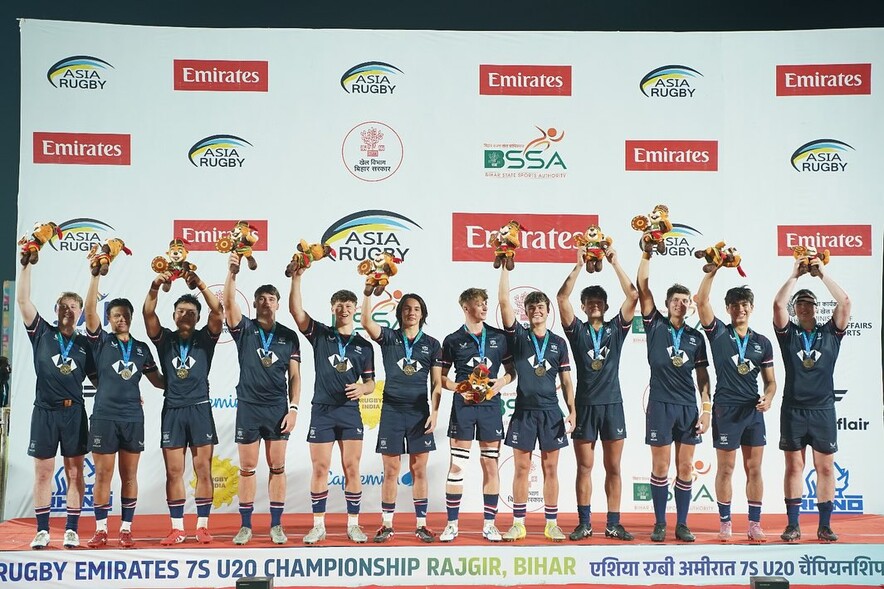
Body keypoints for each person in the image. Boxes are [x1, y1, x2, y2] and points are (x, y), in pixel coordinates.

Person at [556, 246, 637, 541]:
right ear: (583, 305)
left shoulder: (617, 329)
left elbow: (633, 296)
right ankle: (585, 522)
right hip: (586, 405)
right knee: (584, 467)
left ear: (605, 304)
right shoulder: (576, 331)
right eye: (589, 302)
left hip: (612, 404)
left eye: (599, 301)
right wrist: (578, 265)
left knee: (613, 467)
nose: (594, 305)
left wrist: (615, 262)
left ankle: (613, 523)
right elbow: (561, 298)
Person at [289, 269, 375, 544]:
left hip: (349, 412)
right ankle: (318, 525)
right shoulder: (321, 334)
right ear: (333, 309)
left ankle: (353, 524)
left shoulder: (364, 346)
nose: (344, 310)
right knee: (320, 468)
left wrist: (363, 388)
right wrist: (297, 278)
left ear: (355, 310)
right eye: (339, 306)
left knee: (352, 467)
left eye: (349, 306)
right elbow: (296, 311)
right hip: (323, 410)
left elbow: (371, 383)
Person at [17, 263, 96, 549]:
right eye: (63, 305)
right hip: (45, 412)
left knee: (75, 472)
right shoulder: (42, 333)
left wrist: (124, 394)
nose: (69, 310)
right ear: (55, 310)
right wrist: (25, 265)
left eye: (74, 306)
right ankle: (42, 530)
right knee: (42, 473)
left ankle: (72, 529)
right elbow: (23, 300)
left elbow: (100, 380)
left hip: (74, 412)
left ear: (80, 312)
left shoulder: (86, 344)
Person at [224, 253, 301, 546]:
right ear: (254, 303)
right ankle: (245, 525)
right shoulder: (245, 328)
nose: (266, 302)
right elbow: (229, 303)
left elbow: (295, 376)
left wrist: (293, 408)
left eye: (271, 298)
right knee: (247, 469)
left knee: (277, 467)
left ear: (278, 304)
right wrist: (232, 271)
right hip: (248, 407)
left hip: (277, 409)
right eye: (261, 298)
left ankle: (276, 525)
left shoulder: (288, 336)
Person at [83, 270, 165, 548]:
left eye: (125, 315)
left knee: (129, 476)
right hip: (105, 416)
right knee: (103, 475)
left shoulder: (142, 349)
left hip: (132, 418)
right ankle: (101, 529)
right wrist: (95, 276)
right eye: (116, 315)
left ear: (131, 318)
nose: (121, 319)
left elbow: (158, 382)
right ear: (109, 319)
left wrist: (187, 380)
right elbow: (89, 309)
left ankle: (126, 529)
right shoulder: (101, 341)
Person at [773, 258, 850, 543]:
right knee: (794, 467)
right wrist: (794, 275)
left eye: (809, 303)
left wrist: (821, 274)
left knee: (826, 468)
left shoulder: (830, 333)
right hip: (793, 409)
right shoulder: (788, 335)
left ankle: (824, 525)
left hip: (823, 410)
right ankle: (793, 525)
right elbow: (778, 306)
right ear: (796, 310)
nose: (804, 307)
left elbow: (844, 303)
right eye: (800, 304)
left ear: (816, 308)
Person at [143, 270, 223, 545]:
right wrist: (155, 286)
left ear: (198, 318)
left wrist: (199, 282)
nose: (185, 315)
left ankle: (202, 526)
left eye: (191, 312)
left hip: (200, 409)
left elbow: (218, 310)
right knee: (173, 472)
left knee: (203, 468)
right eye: (180, 311)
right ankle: (177, 527)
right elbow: (148, 314)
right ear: (174, 315)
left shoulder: (205, 338)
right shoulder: (164, 338)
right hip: (173, 411)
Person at [696, 268, 776, 542]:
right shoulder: (718, 332)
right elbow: (702, 301)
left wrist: (769, 396)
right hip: (726, 410)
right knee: (726, 469)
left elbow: (771, 382)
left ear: (752, 308)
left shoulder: (762, 342)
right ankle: (725, 522)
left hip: (753, 411)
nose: (740, 309)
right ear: (728, 308)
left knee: (754, 469)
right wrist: (713, 270)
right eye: (735, 305)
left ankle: (754, 524)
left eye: (745, 304)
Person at [637, 250, 710, 542]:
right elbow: (643, 287)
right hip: (660, 405)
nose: (680, 304)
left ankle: (682, 523)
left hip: (688, 407)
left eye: (685, 300)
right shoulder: (655, 325)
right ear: (667, 305)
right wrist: (646, 253)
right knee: (659, 466)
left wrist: (706, 409)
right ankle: (659, 523)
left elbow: (703, 377)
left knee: (685, 467)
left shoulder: (696, 337)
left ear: (690, 306)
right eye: (675, 300)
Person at [498, 266, 575, 542]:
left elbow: (566, 381)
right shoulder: (518, 337)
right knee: (521, 468)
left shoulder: (558, 343)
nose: (536, 311)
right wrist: (506, 266)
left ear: (547, 311)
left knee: (551, 469)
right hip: (524, 413)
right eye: (531, 307)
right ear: (526, 312)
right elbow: (504, 301)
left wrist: (573, 411)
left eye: (541, 307)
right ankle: (518, 523)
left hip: (551, 413)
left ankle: (551, 523)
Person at [361, 291, 441, 543]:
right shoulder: (390, 337)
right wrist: (366, 293)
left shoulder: (432, 343)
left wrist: (436, 412)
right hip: (392, 411)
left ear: (422, 313)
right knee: (391, 469)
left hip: (419, 413)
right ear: (400, 313)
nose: (411, 312)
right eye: (406, 308)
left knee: (419, 469)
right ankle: (386, 524)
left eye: (416, 308)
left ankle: (421, 525)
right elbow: (366, 322)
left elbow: (436, 383)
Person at [438, 287, 514, 543]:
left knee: (490, 464)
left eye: (485, 303)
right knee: (457, 465)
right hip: (464, 407)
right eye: (478, 304)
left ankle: (490, 524)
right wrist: (460, 388)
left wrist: (500, 383)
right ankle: (451, 524)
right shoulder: (451, 340)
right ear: (465, 307)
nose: (483, 308)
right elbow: (440, 378)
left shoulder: (500, 338)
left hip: (491, 407)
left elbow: (512, 371)